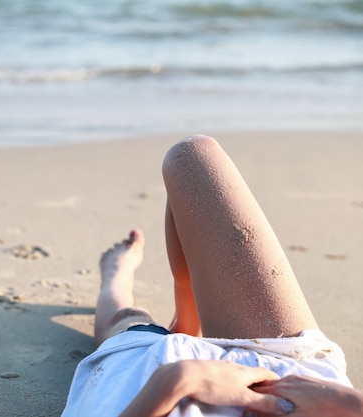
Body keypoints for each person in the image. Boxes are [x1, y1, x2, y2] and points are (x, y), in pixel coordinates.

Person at [61, 135, 362, 417]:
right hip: (288, 378)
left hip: (141, 390)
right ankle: (187, 317)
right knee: (192, 157)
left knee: (126, 321)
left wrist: (175, 381)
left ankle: (118, 276)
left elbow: (172, 379)